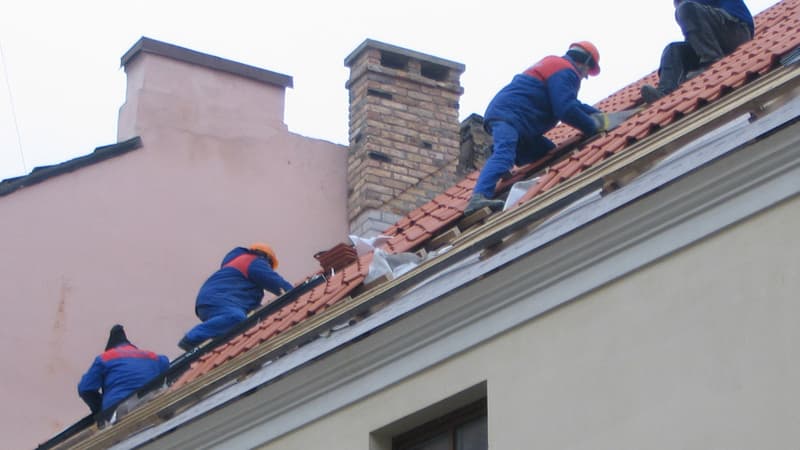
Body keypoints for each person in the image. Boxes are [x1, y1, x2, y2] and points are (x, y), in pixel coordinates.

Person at [465, 41, 609, 215]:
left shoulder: (555, 64)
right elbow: (565, 109)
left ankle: (503, 154)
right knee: (505, 152)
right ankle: (478, 197)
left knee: (548, 152)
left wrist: (598, 114)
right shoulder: (566, 71)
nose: (585, 77)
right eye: (588, 72)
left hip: (520, 122)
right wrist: (592, 126)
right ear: (585, 62)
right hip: (510, 116)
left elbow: (571, 103)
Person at [178, 243, 294, 351]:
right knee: (236, 317)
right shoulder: (253, 261)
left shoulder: (239, 268)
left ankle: (207, 348)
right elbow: (276, 283)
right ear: (266, 258)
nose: (268, 268)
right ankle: (191, 338)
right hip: (219, 300)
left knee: (243, 323)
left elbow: (253, 308)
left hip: (212, 302)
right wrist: (296, 293)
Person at [640, 0, 754, 103]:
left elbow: (691, 11)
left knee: (686, 8)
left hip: (737, 31)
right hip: (715, 41)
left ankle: (710, 61)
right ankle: (664, 93)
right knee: (673, 50)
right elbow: (697, 35)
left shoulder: (690, 6)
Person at [77, 325, 169, 417]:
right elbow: (167, 363)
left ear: (110, 348)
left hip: (119, 412)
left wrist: (100, 410)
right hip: (152, 403)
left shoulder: (104, 358)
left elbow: (85, 389)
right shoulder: (151, 356)